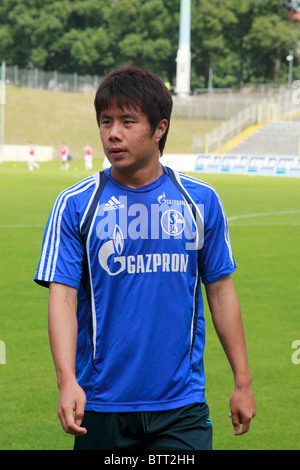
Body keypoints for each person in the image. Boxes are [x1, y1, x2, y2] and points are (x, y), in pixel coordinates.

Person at [34, 66, 255, 450]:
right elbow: (63, 297)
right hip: (101, 404)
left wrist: (243, 382)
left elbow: (220, 291)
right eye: (105, 121)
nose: (113, 133)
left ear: (160, 129)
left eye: (127, 121)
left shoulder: (199, 201)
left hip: (181, 406)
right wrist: (66, 380)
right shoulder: (75, 205)